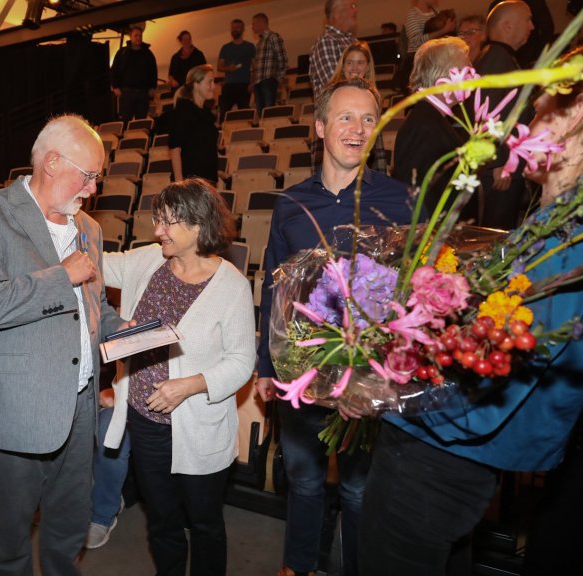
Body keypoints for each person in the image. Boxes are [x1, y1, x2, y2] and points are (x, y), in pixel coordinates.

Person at [357, 46, 583, 575]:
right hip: (453, 451)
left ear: (576, 119)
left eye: (540, 110)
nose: (525, 124)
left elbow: (505, 361)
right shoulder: (551, 225)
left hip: (442, 454)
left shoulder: (569, 240)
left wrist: (386, 392)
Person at [255, 78, 418, 576]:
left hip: (370, 373)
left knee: (357, 488)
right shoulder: (291, 204)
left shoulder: (401, 200)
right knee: (303, 482)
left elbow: (417, 289)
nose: (358, 128)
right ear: (320, 126)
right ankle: (298, 566)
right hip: (305, 370)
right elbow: (274, 290)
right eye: (345, 117)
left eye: (369, 119)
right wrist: (266, 364)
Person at [0, 114, 128, 576]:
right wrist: (62, 276)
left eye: (96, 178)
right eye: (88, 175)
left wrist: (131, 331)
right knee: (11, 541)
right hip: (16, 408)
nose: (92, 188)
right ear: (51, 162)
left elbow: (93, 310)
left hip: (79, 407)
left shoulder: (89, 227)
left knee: (68, 532)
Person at [102, 178, 256, 576]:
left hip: (199, 427)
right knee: (162, 522)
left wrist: (190, 386)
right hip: (145, 421)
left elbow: (242, 361)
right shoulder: (148, 259)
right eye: (157, 221)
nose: (158, 231)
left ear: (199, 224)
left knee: (204, 524)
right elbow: (95, 263)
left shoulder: (232, 286)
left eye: (168, 222)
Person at [393, 37, 476, 221]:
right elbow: (411, 195)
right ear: (445, 76)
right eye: (466, 71)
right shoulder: (423, 125)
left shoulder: (431, 118)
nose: (473, 77)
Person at [474, 0, 534, 230]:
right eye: (527, 19)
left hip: (504, 166)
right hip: (501, 172)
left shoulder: (499, 57)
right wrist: (498, 161)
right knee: (494, 234)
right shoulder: (497, 59)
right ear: (508, 26)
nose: (532, 26)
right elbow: (487, 110)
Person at [329, 41, 390, 173]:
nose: (354, 68)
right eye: (350, 63)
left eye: (360, 63)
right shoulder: (330, 98)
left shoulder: (373, 99)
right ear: (343, 66)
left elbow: (377, 148)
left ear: (368, 67)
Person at [84, 387, 131, 549]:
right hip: (86, 395)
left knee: (109, 431)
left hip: (127, 397)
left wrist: (114, 392)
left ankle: (102, 515)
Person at [169, 64, 219, 183]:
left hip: (207, 181)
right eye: (210, 82)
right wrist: (179, 182)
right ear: (196, 85)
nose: (214, 86)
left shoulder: (207, 114)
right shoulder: (183, 110)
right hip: (189, 182)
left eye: (214, 82)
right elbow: (175, 148)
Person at [310, 0, 358, 98]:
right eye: (352, 6)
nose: (356, 10)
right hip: (339, 110)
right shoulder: (327, 42)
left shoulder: (353, 40)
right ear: (337, 13)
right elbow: (334, 87)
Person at [111, 26, 159, 123]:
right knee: (125, 122)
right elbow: (114, 70)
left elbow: (153, 71)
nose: (138, 38)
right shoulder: (122, 52)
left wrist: (153, 87)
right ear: (130, 37)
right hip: (126, 93)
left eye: (140, 35)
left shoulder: (148, 53)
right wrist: (115, 87)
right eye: (136, 35)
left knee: (141, 122)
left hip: (143, 94)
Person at [217, 18, 257, 121]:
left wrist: (252, 83)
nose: (235, 30)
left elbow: (255, 66)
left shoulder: (250, 46)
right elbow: (219, 67)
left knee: (244, 114)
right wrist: (228, 68)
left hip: (244, 84)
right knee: (224, 113)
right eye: (233, 27)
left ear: (243, 30)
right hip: (229, 85)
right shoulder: (225, 48)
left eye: (238, 28)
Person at [250, 12, 288, 113]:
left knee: (268, 111)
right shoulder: (259, 42)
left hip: (268, 80)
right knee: (260, 112)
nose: (252, 27)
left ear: (262, 23)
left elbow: (282, 58)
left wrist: (277, 78)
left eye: (253, 23)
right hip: (258, 82)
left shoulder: (273, 37)